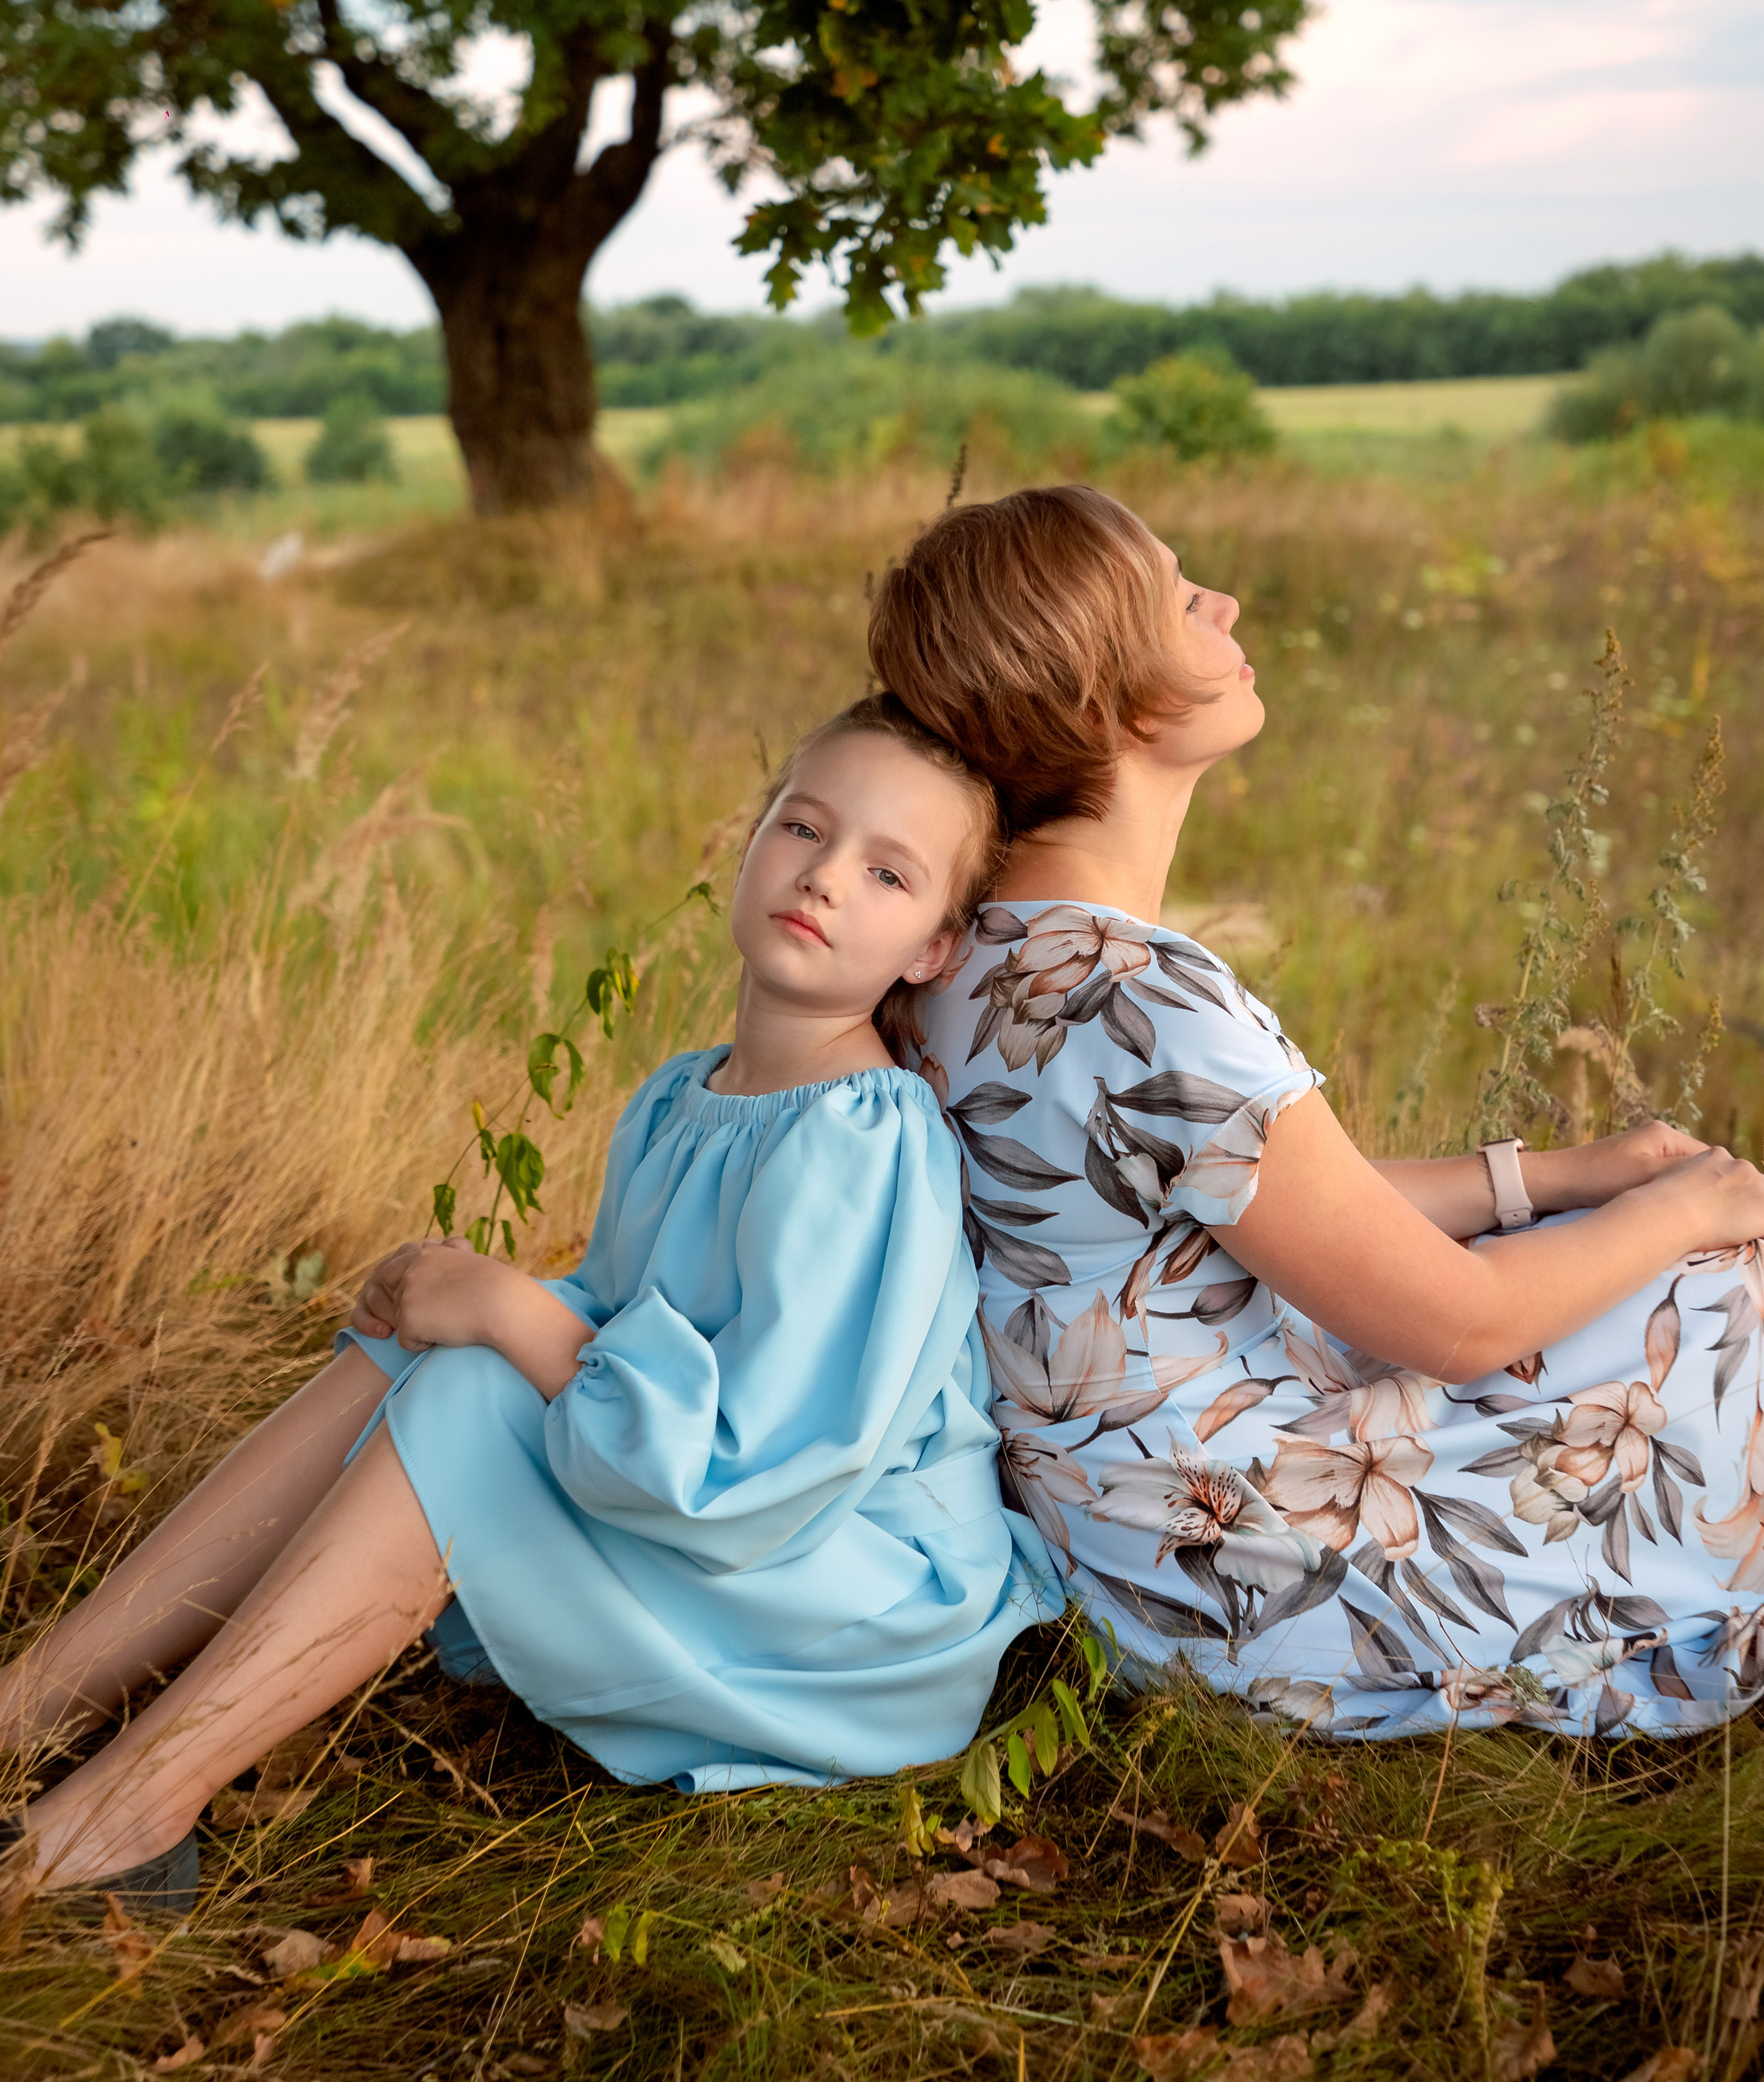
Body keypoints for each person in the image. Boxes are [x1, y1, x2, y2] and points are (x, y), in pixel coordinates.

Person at [0, 695, 1052, 1912]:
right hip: (729, 1526)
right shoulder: (679, 1097)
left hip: (849, 1602)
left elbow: (759, 1465)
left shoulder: (864, 1141)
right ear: (751, 839)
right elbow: (616, 1321)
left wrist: (506, 1311)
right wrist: (473, 1297)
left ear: (931, 948)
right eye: (802, 828)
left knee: (476, 1379)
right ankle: (32, 1707)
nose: (824, 879)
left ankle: (126, 1815)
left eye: (887, 873)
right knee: (420, 1351)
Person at [869, 483, 1764, 1740]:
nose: (1224, 603)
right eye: (1182, 598)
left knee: (1623, 1259)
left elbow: (1258, 1204)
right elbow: (1464, 1326)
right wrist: (1689, 1207)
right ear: (1108, 699)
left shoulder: (969, 956)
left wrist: (1555, 1176)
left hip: (1131, 1549)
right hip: (1270, 1567)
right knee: (1722, 1285)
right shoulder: (1145, 999)